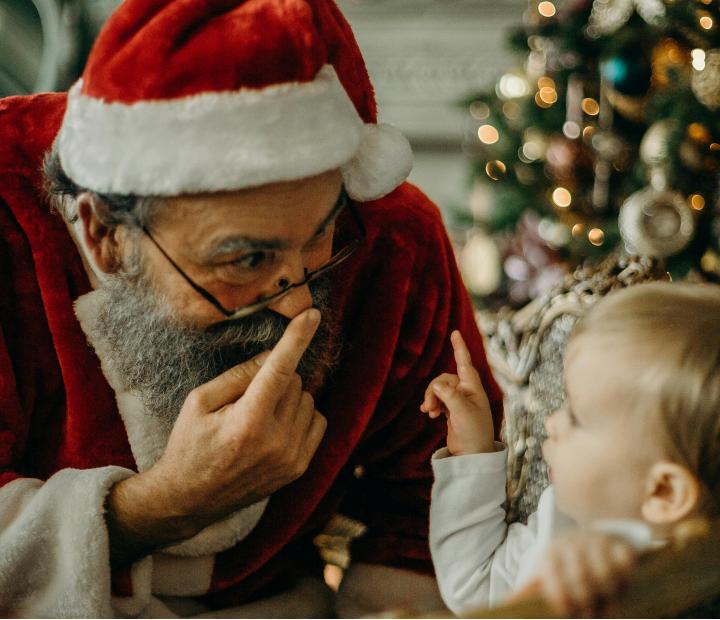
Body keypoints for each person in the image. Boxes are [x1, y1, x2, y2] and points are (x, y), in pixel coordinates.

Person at [0, 0, 504, 616]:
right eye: (245, 260)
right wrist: (164, 504)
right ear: (105, 235)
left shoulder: (390, 235)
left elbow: (423, 511)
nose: (297, 303)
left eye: (321, 235)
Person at [424, 281, 720, 617]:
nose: (552, 423)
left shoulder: (684, 595)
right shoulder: (567, 511)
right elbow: (478, 587)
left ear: (663, 491)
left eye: (577, 418)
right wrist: (472, 452)